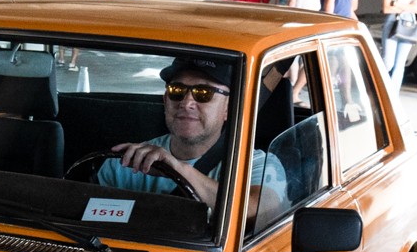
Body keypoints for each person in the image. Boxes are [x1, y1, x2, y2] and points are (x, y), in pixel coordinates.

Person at [96, 57, 286, 220]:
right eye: (177, 91)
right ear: (165, 100)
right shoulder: (125, 164)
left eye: (204, 93)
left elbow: (260, 211)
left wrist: (178, 170)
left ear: (229, 107)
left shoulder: (257, 165)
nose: (186, 103)